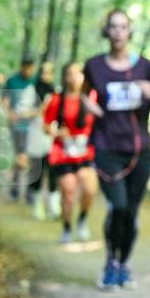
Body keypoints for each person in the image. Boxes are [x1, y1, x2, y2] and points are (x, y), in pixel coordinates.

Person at [82, 8, 150, 290]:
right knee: (117, 206)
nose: (118, 32)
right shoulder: (94, 66)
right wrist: (91, 107)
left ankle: (123, 264)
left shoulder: (146, 66)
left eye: (123, 27)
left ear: (130, 32)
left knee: (131, 211)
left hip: (139, 149)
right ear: (107, 32)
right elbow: (83, 93)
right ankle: (109, 262)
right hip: (107, 146)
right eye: (113, 27)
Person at [44, 61, 98, 244]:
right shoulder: (57, 100)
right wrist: (58, 133)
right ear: (65, 77)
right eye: (70, 73)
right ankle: (67, 227)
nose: (74, 77)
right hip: (63, 153)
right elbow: (45, 125)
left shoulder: (92, 97)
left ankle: (82, 218)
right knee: (68, 191)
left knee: (89, 188)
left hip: (86, 152)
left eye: (78, 73)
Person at [1, 56, 38, 202]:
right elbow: (4, 98)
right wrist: (10, 113)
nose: (29, 70)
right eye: (26, 66)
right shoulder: (12, 80)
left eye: (31, 67)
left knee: (30, 157)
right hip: (17, 125)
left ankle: (29, 189)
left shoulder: (36, 81)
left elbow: (45, 101)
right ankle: (16, 187)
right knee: (21, 155)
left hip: (33, 126)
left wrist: (33, 113)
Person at [27, 60, 60, 220]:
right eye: (43, 72)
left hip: (51, 136)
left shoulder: (56, 92)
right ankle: (37, 206)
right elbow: (23, 113)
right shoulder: (31, 90)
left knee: (53, 171)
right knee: (38, 171)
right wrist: (41, 109)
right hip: (36, 134)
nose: (46, 75)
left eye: (49, 72)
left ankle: (54, 207)